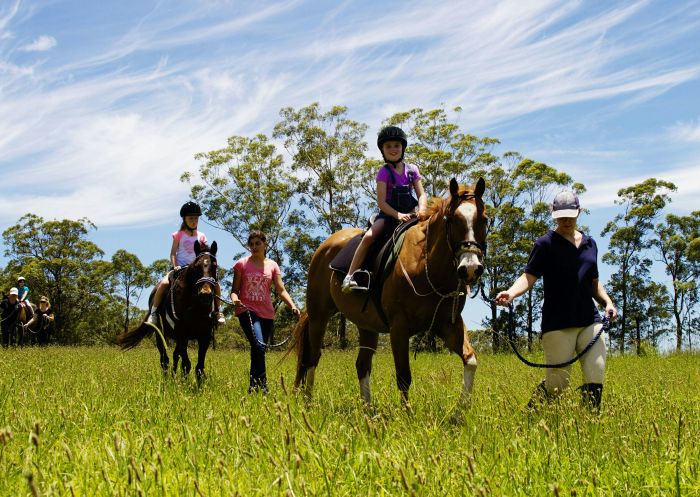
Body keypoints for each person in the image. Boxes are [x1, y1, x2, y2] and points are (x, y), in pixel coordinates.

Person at [495, 190, 617, 412]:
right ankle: (531, 414)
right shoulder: (545, 244)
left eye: (570, 214)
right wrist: (511, 293)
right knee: (558, 385)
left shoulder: (591, 244)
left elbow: (594, 282)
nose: (566, 220)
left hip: (590, 320)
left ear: (579, 212)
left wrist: (607, 302)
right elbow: (528, 276)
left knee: (596, 374)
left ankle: (590, 424)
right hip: (558, 324)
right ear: (553, 214)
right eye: (561, 215)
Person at [341, 125, 427, 292]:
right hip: (389, 214)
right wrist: (398, 215)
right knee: (368, 237)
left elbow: (421, 194)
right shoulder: (384, 173)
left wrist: (422, 209)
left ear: (403, 148)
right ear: (383, 150)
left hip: (412, 212)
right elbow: (381, 202)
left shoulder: (412, 170)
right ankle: (349, 276)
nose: (393, 149)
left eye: (396, 145)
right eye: (388, 146)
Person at [231, 230, 300, 393]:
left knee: (259, 349)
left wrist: (293, 306)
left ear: (265, 244)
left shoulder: (273, 265)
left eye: (258, 243)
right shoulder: (241, 264)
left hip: (267, 314)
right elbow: (234, 290)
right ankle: (263, 386)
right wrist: (235, 300)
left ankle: (253, 387)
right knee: (258, 346)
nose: (254, 247)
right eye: (251, 244)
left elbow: (281, 290)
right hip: (247, 311)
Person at [147, 201, 225, 327]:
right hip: (181, 268)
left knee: (216, 284)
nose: (194, 221)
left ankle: (218, 311)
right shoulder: (178, 235)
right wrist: (175, 265)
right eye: (191, 218)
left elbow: (206, 254)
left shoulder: (202, 236)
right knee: (164, 283)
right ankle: (154, 312)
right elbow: (173, 253)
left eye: (196, 218)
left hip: (197, 270)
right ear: (185, 219)